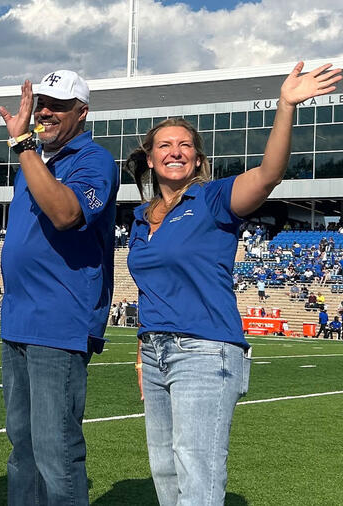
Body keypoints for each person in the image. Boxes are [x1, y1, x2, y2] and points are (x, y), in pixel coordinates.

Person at [127, 62, 340, 505]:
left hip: (205, 352)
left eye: (185, 145)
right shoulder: (139, 219)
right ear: (150, 159)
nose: (175, 151)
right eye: (165, 145)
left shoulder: (213, 199)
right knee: (164, 470)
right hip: (155, 351)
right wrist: (142, 352)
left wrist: (285, 106)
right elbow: (152, 289)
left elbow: (268, 174)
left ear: (198, 159)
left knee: (196, 471)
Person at [0, 70, 119, 505]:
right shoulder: (34, 161)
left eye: (58, 105)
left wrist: (24, 146)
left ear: (82, 112)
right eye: (42, 103)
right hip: (17, 321)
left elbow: (67, 214)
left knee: (55, 450)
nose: (45, 112)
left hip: (59, 322)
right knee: (22, 449)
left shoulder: (94, 160)